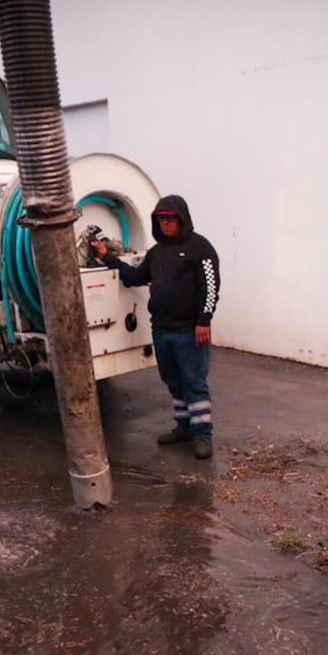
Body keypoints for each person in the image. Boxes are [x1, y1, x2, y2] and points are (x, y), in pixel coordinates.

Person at [92, 195, 221, 459]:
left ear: (181, 219)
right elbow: (136, 277)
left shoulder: (200, 248)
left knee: (194, 381)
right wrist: (108, 258)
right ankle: (184, 427)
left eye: (169, 219)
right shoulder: (157, 252)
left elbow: (210, 288)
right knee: (173, 380)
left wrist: (203, 321)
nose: (165, 224)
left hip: (190, 330)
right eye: (160, 219)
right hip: (162, 330)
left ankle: (202, 434)